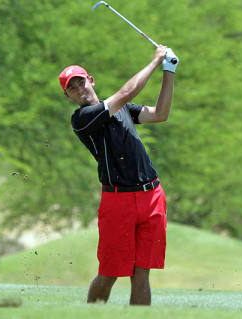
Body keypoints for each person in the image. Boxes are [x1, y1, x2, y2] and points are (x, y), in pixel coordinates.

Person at [58, 45, 178, 305]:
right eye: (72, 89)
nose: (80, 90)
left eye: (81, 83)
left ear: (91, 81)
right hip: (117, 201)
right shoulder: (83, 118)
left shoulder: (122, 109)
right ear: (69, 97)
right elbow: (125, 93)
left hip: (151, 196)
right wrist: (155, 61)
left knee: (141, 274)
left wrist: (169, 70)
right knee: (109, 273)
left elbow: (160, 114)